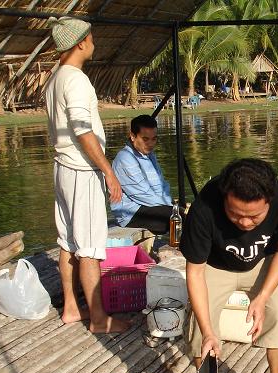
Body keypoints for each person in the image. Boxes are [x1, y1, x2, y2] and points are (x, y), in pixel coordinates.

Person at [180, 158, 278, 373]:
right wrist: (209, 330)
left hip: (262, 263)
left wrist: (261, 297)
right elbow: (195, 273)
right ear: (225, 198)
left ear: (270, 201)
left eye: (254, 217)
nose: (245, 222)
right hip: (214, 266)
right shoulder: (204, 208)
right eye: (236, 214)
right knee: (202, 332)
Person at [44, 17, 129, 333]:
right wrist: (108, 170)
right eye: (91, 37)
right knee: (90, 246)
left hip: (62, 167)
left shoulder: (54, 79)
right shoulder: (76, 79)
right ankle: (98, 317)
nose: (94, 42)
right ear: (80, 42)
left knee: (68, 239)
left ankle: (70, 306)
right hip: (81, 170)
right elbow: (82, 129)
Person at [111, 114, 173, 234]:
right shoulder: (125, 158)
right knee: (177, 218)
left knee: (189, 213)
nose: (150, 144)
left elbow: (162, 185)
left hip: (151, 206)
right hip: (131, 214)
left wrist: (171, 203)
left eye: (154, 139)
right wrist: (172, 208)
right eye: (145, 139)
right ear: (133, 136)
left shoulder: (149, 155)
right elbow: (143, 195)